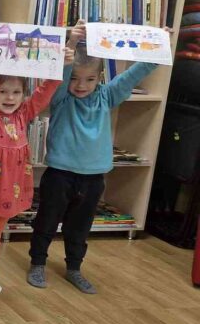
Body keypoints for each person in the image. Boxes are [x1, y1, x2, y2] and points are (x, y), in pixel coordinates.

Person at [28, 21, 163, 293]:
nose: (81, 85)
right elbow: (59, 73)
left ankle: (74, 268)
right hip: (60, 175)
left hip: (93, 179)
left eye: (89, 79)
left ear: (99, 78)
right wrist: (71, 43)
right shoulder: (61, 98)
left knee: (80, 227)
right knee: (47, 221)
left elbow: (136, 73)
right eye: (75, 78)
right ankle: (38, 263)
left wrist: (159, 43)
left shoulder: (107, 96)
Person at [0, 45, 71, 293]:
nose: (10, 97)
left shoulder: (24, 113)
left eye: (16, 92)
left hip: (9, 189)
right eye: (3, 91)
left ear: (23, 94)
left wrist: (60, 62)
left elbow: (45, 90)